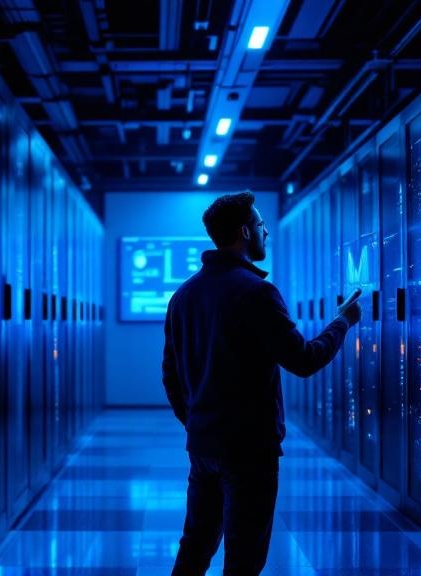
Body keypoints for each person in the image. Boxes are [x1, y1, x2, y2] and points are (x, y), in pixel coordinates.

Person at [162, 191, 361, 575]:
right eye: (260, 225)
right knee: (244, 557)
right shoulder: (257, 292)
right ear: (243, 232)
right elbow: (304, 359)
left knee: (195, 548)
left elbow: (170, 375)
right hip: (250, 451)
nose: (266, 232)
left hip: (203, 446)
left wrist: (196, 422)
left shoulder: (182, 296)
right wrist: (343, 322)